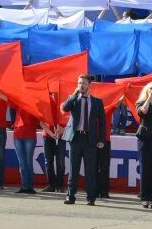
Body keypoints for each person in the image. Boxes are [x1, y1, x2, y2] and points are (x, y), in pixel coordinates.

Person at [61, 74, 106, 206]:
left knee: (90, 170)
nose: (81, 86)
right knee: (73, 168)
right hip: (76, 138)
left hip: (90, 139)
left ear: (89, 85)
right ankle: (70, 195)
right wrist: (74, 95)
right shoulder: (74, 99)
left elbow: (102, 123)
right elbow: (64, 108)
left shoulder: (97, 102)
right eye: (79, 83)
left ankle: (91, 197)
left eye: (84, 83)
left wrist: (101, 139)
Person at [41, 91, 67, 193]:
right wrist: (51, 133)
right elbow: (41, 120)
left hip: (61, 136)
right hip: (48, 135)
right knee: (49, 161)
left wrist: (63, 130)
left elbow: (72, 120)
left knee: (60, 162)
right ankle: (51, 185)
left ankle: (60, 185)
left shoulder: (65, 101)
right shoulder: (45, 101)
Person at [12, 108, 38, 194]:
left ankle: (29, 186)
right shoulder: (18, 101)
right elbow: (6, 98)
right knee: (22, 162)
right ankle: (25, 185)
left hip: (29, 134)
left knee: (28, 161)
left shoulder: (34, 102)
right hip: (18, 134)